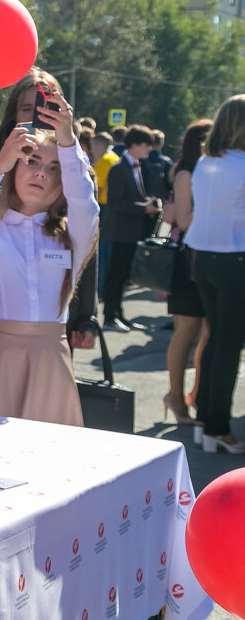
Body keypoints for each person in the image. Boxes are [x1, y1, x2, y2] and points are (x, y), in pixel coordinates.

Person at [0, 92, 98, 427]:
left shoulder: (73, 236)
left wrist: (69, 144)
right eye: (33, 162)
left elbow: (86, 203)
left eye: (54, 169)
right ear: (15, 167)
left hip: (50, 363)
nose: (41, 173)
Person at [186, 95, 245, 454]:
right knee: (227, 344)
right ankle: (217, 426)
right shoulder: (241, 165)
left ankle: (207, 420)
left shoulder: (206, 163)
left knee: (216, 339)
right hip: (233, 259)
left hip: (203, 257)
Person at [162, 119, 212, 426]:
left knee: (209, 331)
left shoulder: (206, 172)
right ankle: (176, 398)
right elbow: (183, 219)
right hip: (186, 259)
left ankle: (194, 393)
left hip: (206, 259)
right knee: (187, 331)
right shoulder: (186, 173)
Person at [101, 125, 162, 332]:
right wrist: (144, 209)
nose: (149, 150)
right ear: (134, 145)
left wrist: (148, 202)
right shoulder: (119, 168)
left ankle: (118, 314)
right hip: (120, 231)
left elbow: (132, 197)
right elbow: (116, 202)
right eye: (146, 145)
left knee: (123, 275)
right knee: (116, 274)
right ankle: (110, 317)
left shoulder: (136, 165)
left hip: (129, 231)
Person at [90, 131, 119, 294]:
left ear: (100, 145)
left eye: (93, 146)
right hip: (113, 209)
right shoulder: (114, 158)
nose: (92, 150)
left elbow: (97, 188)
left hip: (102, 206)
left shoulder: (102, 162)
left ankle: (98, 288)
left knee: (100, 250)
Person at [143, 129, 173, 200]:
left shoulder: (141, 161)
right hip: (163, 200)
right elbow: (171, 183)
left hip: (145, 200)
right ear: (162, 144)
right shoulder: (167, 162)